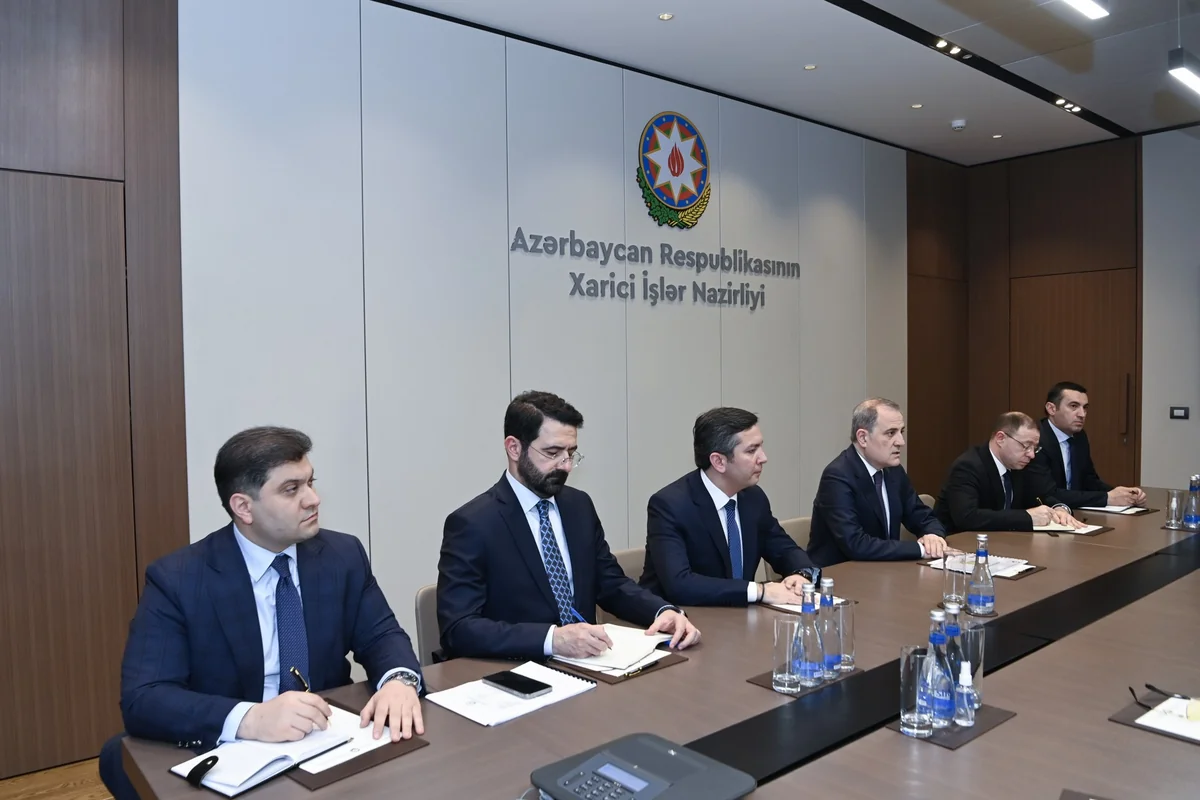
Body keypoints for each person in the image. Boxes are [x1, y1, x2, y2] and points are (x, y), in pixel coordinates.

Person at [99, 427, 423, 800]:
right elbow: (145, 697)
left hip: (328, 742)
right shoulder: (179, 579)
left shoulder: (342, 555)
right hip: (234, 754)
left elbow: (381, 635)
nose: (313, 499)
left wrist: (399, 680)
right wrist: (250, 718)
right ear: (243, 507)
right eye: (291, 489)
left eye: (310, 482)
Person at [437, 391, 700, 661]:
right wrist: (552, 639)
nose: (566, 466)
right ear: (514, 448)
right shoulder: (473, 523)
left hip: (591, 664)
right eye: (552, 453)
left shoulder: (578, 506)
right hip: (517, 668)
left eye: (571, 453)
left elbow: (610, 583)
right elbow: (458, 628)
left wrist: (662, 611)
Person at [638, 407, 820, 606]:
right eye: (751, 450)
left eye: (761, 447)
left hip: (738, 617)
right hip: (679, 617)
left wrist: (801, 574)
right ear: (719, 462)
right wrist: (760, 591)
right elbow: (680, 584)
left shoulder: (753, 498)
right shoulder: (670, 505)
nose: (763, 458)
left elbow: (784, 549)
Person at [807, 398, 949, 567]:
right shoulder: (837, 476)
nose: (901, 442)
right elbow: (856, 544)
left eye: (901, 432)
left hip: (883, 570)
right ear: (863, 438)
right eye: (891, 433)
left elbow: (922, 516)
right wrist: (921, 550)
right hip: (840, 574)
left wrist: (933, 536)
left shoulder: (893, 471)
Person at [933, 412, 1085, 533]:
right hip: (961, 545)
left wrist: (1059, 508)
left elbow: (1040, 496)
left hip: (1004, 542)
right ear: (1001, 438)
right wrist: (1027, 517)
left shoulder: (1018, 465)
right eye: (1026, 446)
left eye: (1035, 448)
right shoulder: (968, 466)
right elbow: (968, 517)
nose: (1031, 455)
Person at [1024, 381, 1146, 509]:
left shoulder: (1079, 437)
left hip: (1074, 511)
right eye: (1074, 406)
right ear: (1051, 409)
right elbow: (1048, 494)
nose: (1082, 414)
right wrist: (1107, 498)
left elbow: (1089, 480)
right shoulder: (1036, 439)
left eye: (1085, 408)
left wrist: (1123, 495)